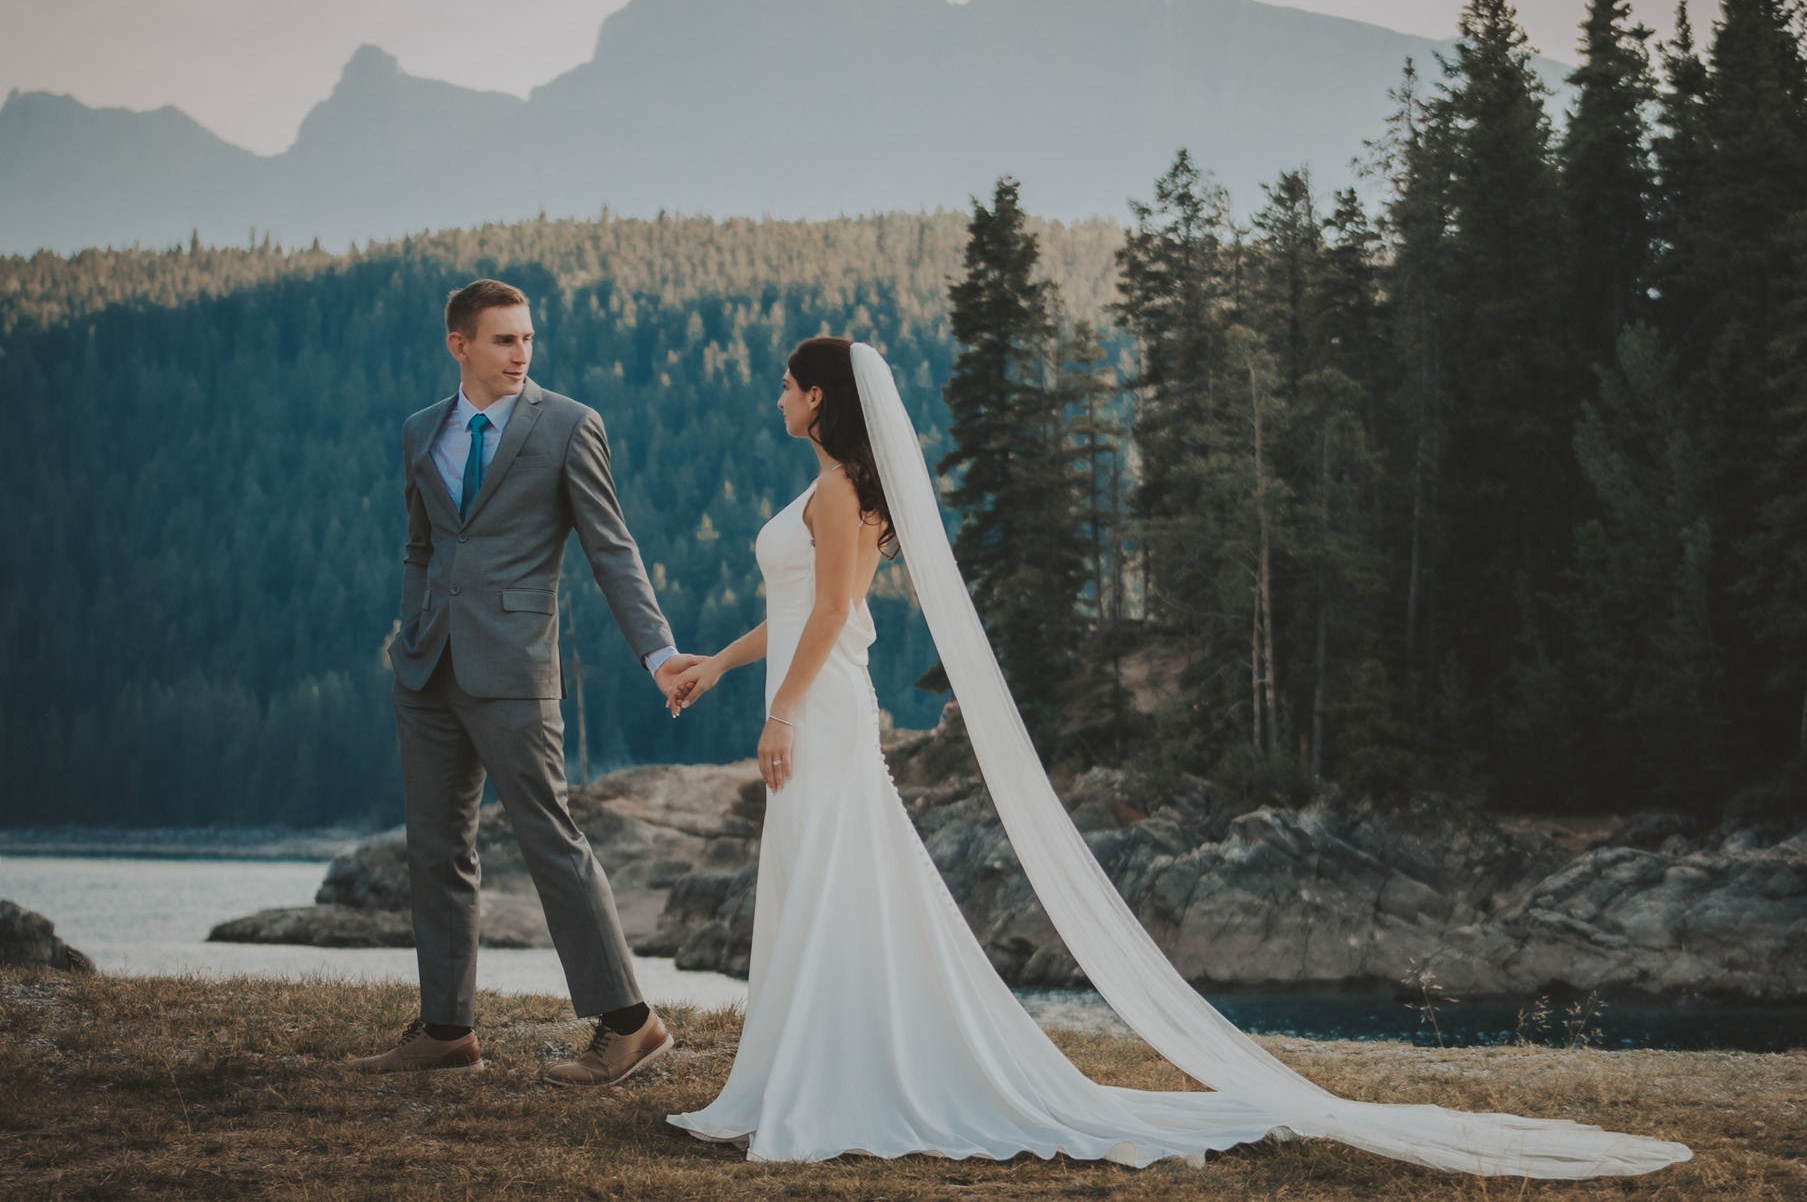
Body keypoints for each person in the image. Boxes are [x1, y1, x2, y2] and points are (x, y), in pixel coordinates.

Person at [660, 337, 1693, 1177]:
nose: (779, 399)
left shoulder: (840, 493)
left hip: (825, 710)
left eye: (789, 387)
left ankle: (837, 1076)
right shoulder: (827, 492)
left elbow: (837, 613)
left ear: (818, 398)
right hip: (808, 693)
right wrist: (718, 663)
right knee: (824, 885)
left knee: (840, 880)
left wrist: (780, 715)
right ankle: (811, 1065)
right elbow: (793, 608)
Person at [350, 278, 697, 1086]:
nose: (522, 354)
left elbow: (612, 548)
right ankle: (446, 1029)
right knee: (436, 848)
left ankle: (629, 1022)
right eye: (504, 339)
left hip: (513, 669)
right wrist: (411, 626)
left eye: (528, 339)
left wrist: (659, 654)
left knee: (550, 837)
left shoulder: (570, 425)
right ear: (459, 343)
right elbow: (420, 543)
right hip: (428, 666)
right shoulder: (419, 432)